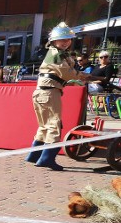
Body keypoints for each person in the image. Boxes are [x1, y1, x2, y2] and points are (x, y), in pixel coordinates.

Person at [26, 22, 97, 171]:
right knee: (54, 124)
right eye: (62, 40)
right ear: (54, 41)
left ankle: (34, 155)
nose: (66, 42)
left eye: (68, 39)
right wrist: (85, 76)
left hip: (42, 92)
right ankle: (46, 158)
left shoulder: (56, 54)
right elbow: (67, 74)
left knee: (44, 125)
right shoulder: (56, 55)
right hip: (50, 92)